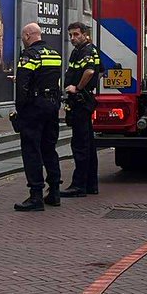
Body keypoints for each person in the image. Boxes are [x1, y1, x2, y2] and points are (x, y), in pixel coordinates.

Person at [14, 23, 63, 213]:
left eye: (23, 37)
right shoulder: (54, 54)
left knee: (31, 150)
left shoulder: (29, 55)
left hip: (34, 109)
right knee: (49, 149)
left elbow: (23, 86)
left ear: (27, 36)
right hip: (52, 107)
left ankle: (36, 195)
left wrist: (21, 110)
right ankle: (55, 192)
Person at [60, 22, 101, 199]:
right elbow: (99, 72)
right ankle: (91, 184)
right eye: (70, 35)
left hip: (81, 102)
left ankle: (79, 185)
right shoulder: (84, 50)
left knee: (80, 145)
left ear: (85, 34)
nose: (72, 38)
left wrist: (77, 88)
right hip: (84, 100)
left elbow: (91, 72)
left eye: (76, 34)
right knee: (89, 144)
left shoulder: (86, 50)